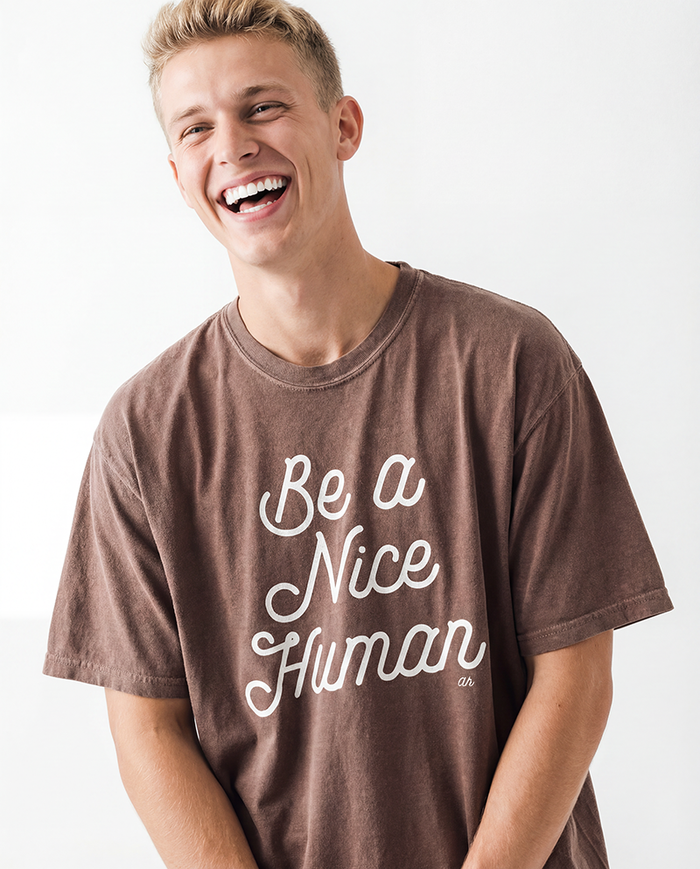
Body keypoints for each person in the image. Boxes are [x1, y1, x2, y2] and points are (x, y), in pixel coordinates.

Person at [43, 1, 672, 867]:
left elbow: (577, 676)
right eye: (197, 128)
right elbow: (148, 730)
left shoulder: (511, 363)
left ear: (344, 126)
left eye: (263, 107)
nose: (232, 146)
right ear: (178, 174)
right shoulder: (144, 433)